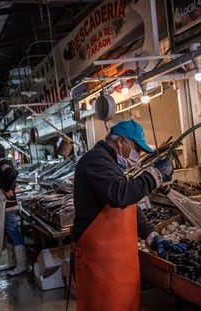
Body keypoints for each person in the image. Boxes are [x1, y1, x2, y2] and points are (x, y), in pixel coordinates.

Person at [72, 119, 187, 311]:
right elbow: (120, 194)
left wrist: (152, 236)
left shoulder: (111, 163)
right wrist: (154, 177)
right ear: (120, 141)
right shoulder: (95, 160)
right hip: (99, 264)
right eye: (137, 149)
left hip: (116, 264)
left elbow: (129, 206)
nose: (138, 155)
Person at [0, 143, 27, 276]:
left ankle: (21, 265)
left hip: (7, 206)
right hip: (5, 206)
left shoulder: (3, 164)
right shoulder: (2, 164)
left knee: (14, 233)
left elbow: (12, 173)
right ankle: (11, 262)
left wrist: (7, 189)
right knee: (9, 234)